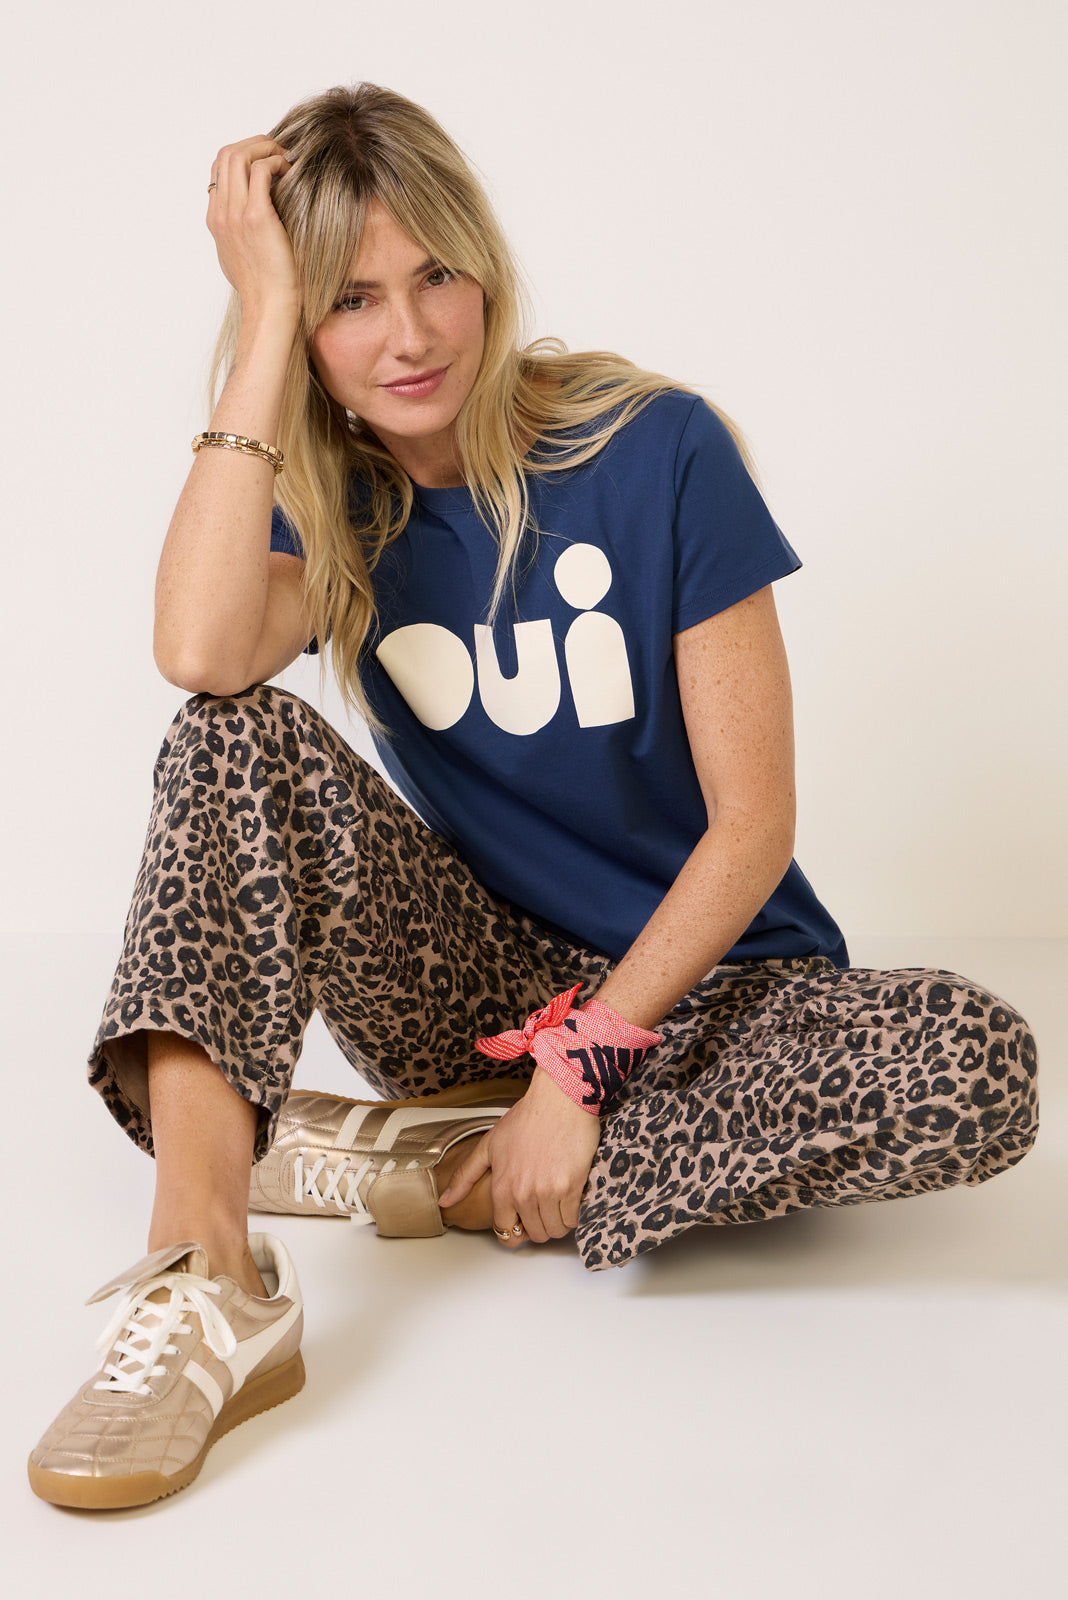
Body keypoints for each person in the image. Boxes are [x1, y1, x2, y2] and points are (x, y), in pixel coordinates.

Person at [28, 83, 1038, 1511]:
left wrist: (584, 1074)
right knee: (228, 735)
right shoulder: (330, 499)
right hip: (481, 988)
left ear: (488, 271)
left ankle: (444, 1166)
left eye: (437, 275)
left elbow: (755, 827)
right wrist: (261, 325)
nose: (411, 334)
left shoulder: (656, 448)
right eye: (350, 299)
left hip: (714, 994)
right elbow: (199, 655)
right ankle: (209, 1273)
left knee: (976, 1063)